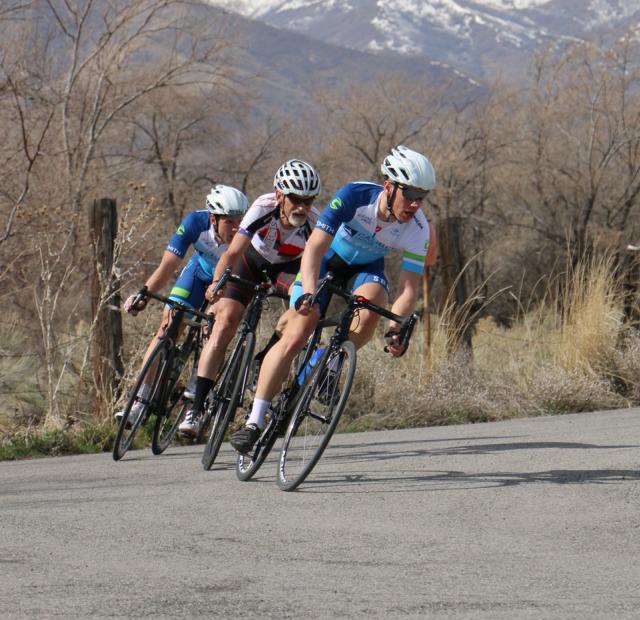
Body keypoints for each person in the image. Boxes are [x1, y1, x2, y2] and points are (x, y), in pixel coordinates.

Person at [229, 145, 434, 453]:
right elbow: (313, 249)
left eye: (423, 197)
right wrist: (308, 292)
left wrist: (396, 329)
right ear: (389, 187)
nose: (416, 204)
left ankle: (330, 360)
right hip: (326, 260)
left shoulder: (419, 228)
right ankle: (254, 421)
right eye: (410, 194)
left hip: (366, 269)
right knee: (299, 331)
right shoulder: (354, 196)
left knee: (373, 305)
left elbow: (407, 289)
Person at [176, 159, 322, 440]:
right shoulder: (263, 207)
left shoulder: (314, 222)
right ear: (280, 196)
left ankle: (265, 358)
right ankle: (196, 408)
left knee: (301, 307)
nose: (302, 207)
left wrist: (305, 294)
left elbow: (312, 267)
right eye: (296, 200)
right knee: (225, 322)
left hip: (288, 269)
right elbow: (231, 253)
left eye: (309, 200)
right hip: (250, 261)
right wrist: (218, 284)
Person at [118, 184, 249, 426]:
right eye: (229, 222)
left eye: (239, 221)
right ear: (213, 217)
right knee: (167, 327)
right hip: (198, 274)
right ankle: (139, 400)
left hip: (226, 282)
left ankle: (197, 390)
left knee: (215, 329)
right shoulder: (195, 224)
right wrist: (144, 294)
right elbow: (167, 265)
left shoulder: (244, 236)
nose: (236, 227)